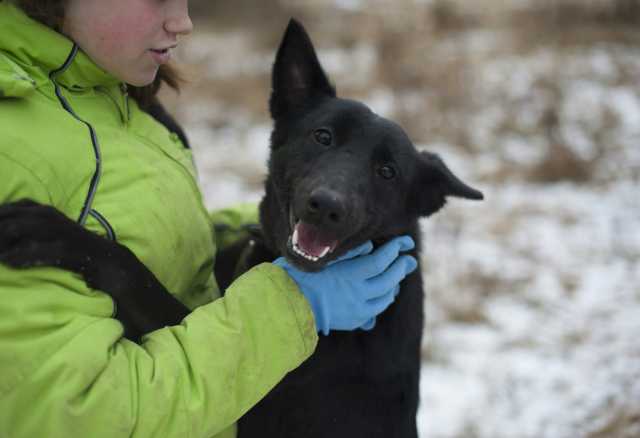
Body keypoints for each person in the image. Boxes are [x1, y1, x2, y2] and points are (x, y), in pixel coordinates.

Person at [0, 1, 418, 437]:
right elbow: (82, 416)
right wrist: (294, 305)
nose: (184, 21)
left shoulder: (114, 98)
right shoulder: (16, 145)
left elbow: (159, 249)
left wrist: (258, 229)